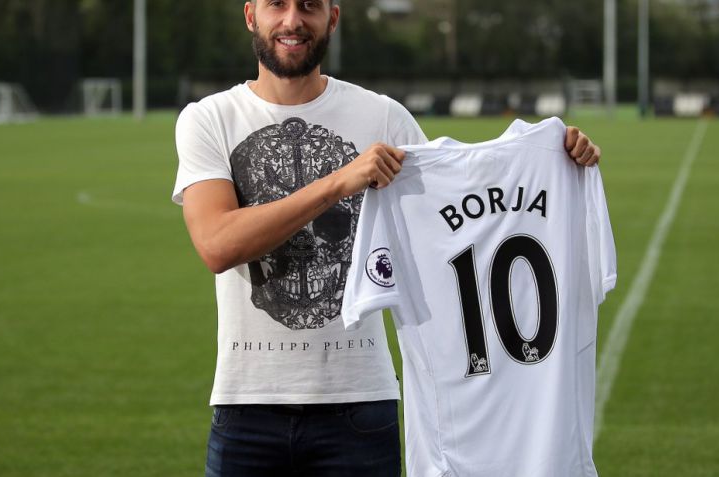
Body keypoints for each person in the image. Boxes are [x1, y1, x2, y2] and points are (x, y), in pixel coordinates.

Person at [172, 1, 602, 476]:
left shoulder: (383, 117)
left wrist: (550, 159)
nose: (293, 20)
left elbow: (459, 208)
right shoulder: (209, 119)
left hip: (360, 408)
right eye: (278, 4)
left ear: (333, 18)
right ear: (251, 15)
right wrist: (339, 182)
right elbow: (217, 245)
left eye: (310, 6)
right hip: (246, 406)